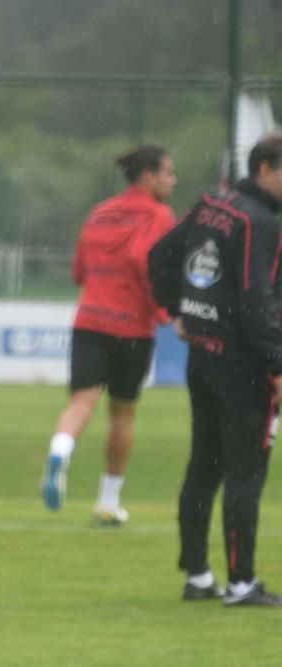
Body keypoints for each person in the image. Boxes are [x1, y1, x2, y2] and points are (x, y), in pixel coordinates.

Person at [148, 134, 282, 606]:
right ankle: (241, 583)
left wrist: (175, 310)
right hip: (244, 365)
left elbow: (159, 254)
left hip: (203, 356)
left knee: (204, 465)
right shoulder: (259, 221)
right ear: (265, 169)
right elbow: (255, 299)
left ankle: (198, 576)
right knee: (246, 474)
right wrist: (278, 363)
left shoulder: (213, 205)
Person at [40, 145, 177, 525]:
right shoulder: (159, 214)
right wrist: (163, 310)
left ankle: (60, 450)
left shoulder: (99, 212)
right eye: (168, 173)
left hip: (89, 321)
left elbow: (80, 271)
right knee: (122, 413)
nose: (173, 180)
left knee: (80, 402)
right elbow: (144, 261)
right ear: (148, 176)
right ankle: (108, 502)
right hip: (131, 326)